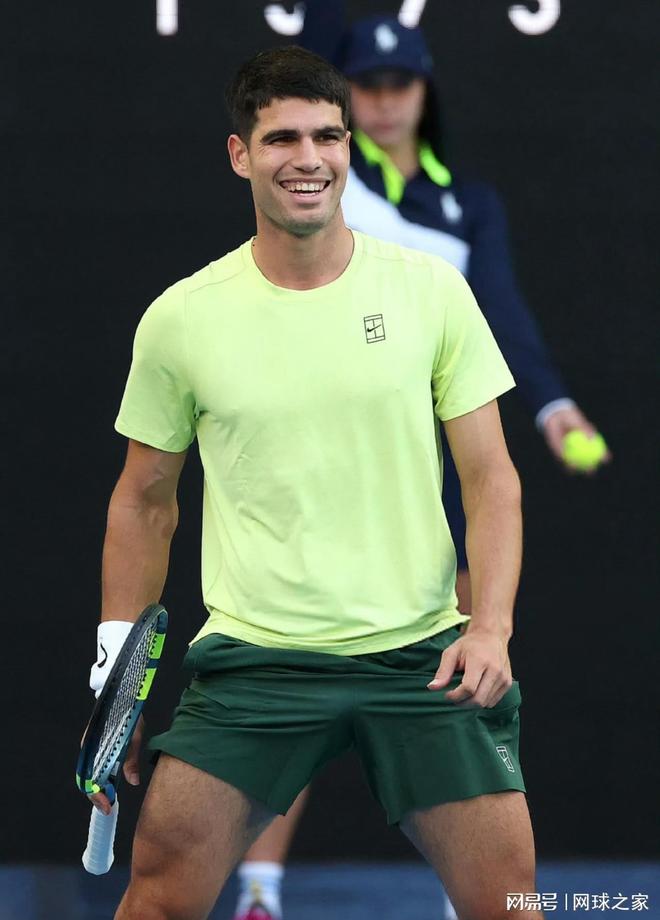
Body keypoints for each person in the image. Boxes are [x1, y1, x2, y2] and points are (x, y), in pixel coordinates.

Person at [88, 45, 544, 920]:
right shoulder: (181, 318)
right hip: (256, 663)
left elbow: (491, 478)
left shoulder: (432, 292)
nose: (309, 159)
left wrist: (490, 627)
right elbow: (143, 503)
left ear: (348, 148)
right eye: (282, 139)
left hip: (423, 657)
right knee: (158, 900)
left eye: (327, 137)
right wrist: (116, 676)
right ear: (240, 154)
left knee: (513, 904)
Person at [234, 11, 610, 918]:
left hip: (432, 461)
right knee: (293, 689)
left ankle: (472, 892)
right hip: (329, 467)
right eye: (366, 85)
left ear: (423, 91)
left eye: (400, 83)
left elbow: (502, 314)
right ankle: (258, 891)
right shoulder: (325, 178)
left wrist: (553, 407)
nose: (385, 101)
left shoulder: (465, 203)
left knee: (469, 676)